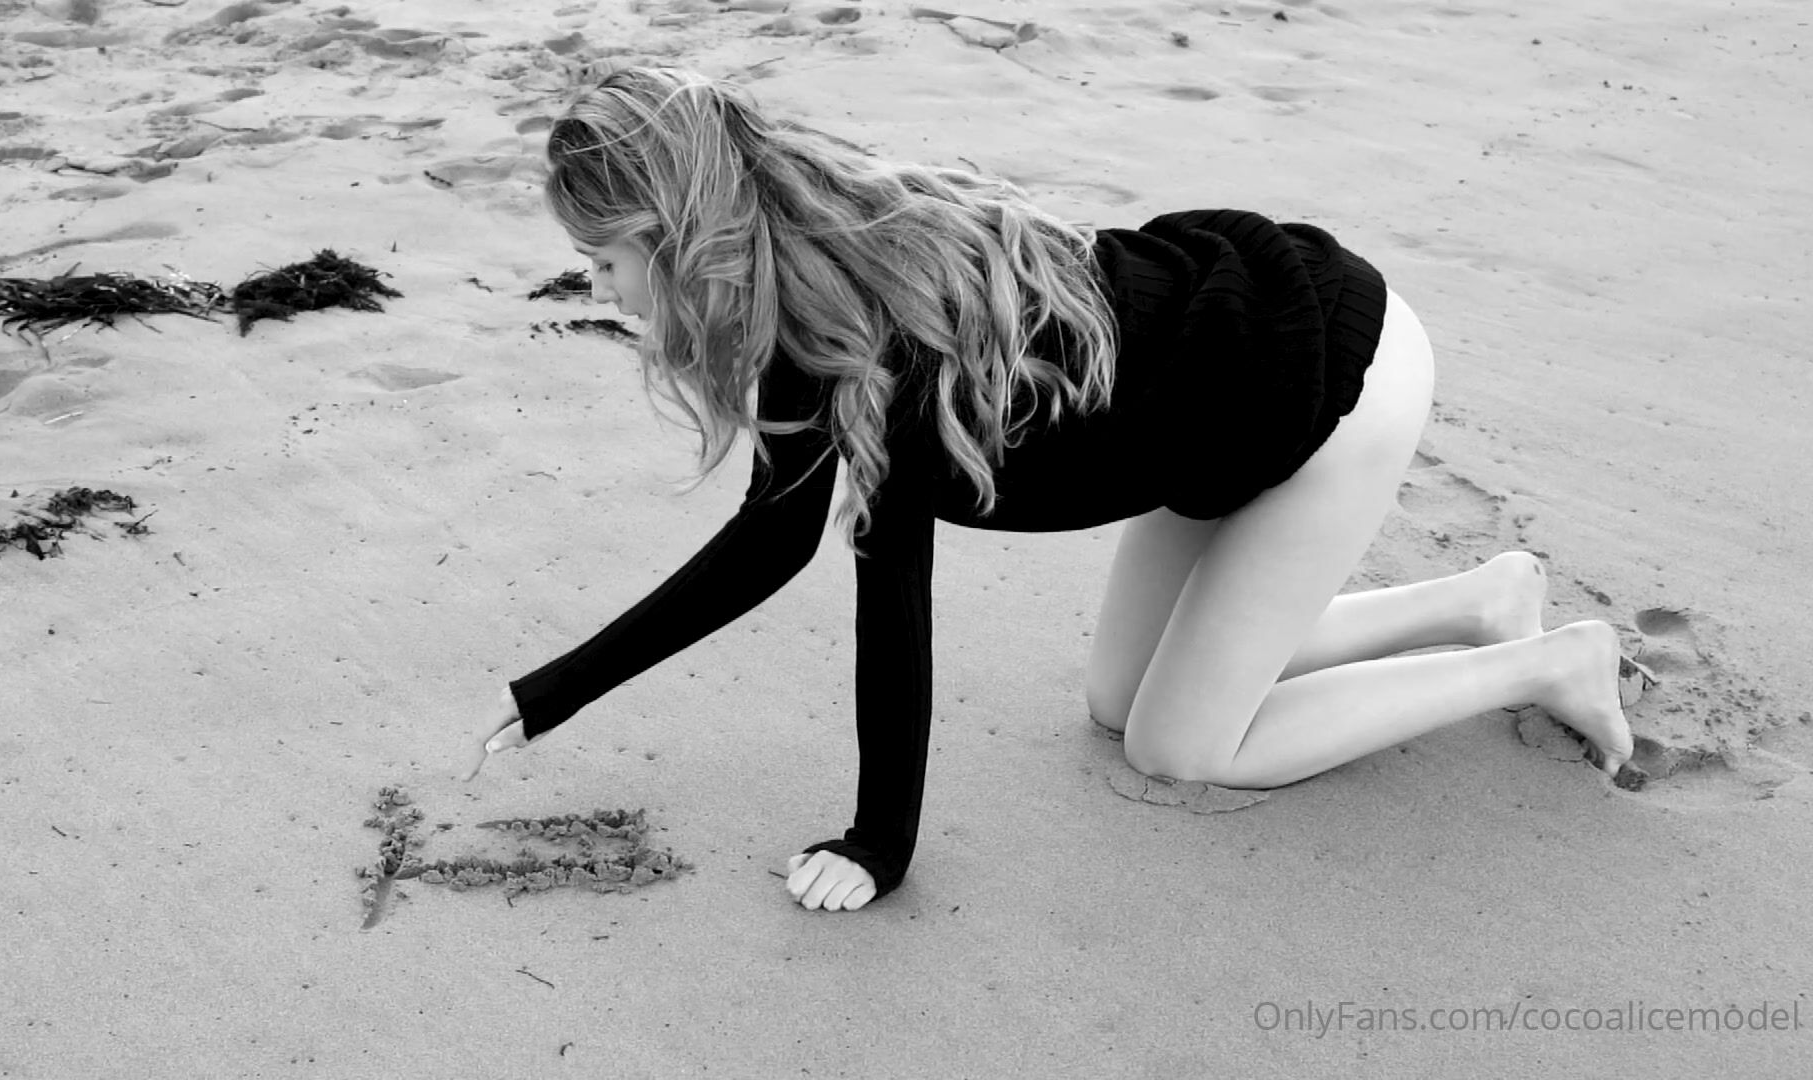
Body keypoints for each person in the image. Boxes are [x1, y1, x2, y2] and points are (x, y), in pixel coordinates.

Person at [459, 67, 1635, 914]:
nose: (599, 288)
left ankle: (1545, 665)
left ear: (679, 241)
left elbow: (886, 597)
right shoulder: (813, 309)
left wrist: (878, 847)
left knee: (1180, 748)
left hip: (1325, 378)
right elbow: (769, 545)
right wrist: (554, 693)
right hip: (1209, 398)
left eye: (604, 260)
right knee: (1118, 702)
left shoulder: (885, 351)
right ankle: (1482, 600)